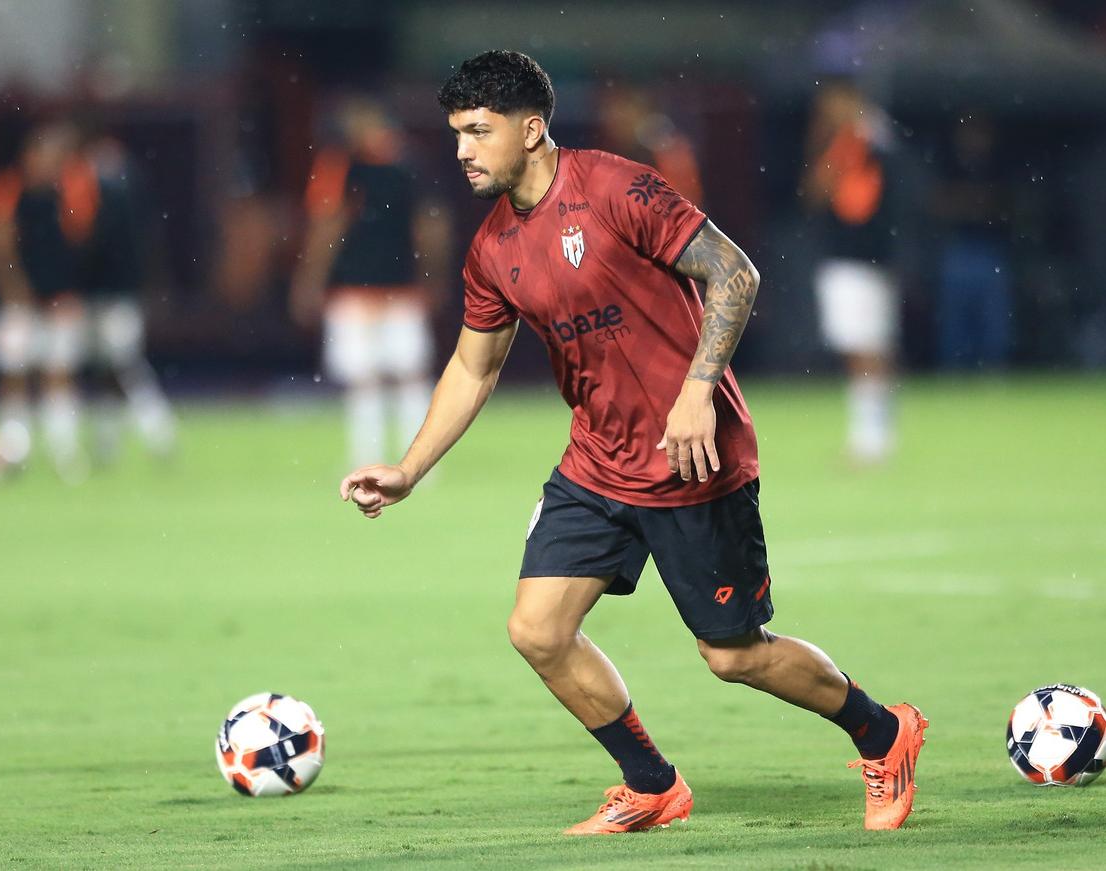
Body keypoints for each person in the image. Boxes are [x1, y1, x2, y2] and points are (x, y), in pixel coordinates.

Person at [340, 50, 925, 834]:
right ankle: (653, 784)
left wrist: (697, 392)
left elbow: (735, 274)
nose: (462, 151)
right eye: (456, 134)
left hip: (692, 458)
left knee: (734, 655)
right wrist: (410, 468)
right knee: (538, 629)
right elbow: (473, 367)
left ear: (532, 128)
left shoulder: (617, 188)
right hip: (596, 462)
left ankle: (884, 733)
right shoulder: (492, 249)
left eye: (478, 131)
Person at [291, 96, 449, 469]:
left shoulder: (341, 164)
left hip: (358, 287)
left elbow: (326, 226)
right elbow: (432, 226)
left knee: (367, 379)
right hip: (398, 286)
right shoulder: (412, 163)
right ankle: (421, 463)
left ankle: (369, 460)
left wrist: (309, 279)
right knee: (409, 375)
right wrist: (433, 274)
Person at [0, 122, 96, 483]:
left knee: (59, 374)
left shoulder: (71, 190)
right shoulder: (9, 189)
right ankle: (14, 449)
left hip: (59, 301)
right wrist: (15, 291)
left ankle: (65, 453)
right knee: (14, 373)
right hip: (20, 303)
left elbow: (81, 244)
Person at [802, 80, 900, 465]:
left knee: (870, 346)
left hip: (868, 259)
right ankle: (872, 431)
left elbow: (870, 202)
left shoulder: (875, 139)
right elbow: (814, 194)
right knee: (857, 346)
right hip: (842, 258)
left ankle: (873, 435)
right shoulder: (836, 142)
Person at [80, 133, 176, 463]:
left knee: (125, 366)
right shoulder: (127, 195)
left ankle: (160, 431)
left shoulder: (113, 197)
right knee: (109, 371)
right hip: (110, 297)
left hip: (115, 298)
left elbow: (103, 250)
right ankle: (108, 442)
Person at [933, 113, 1012, 370]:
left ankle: (992, 371)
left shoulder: (997, 165)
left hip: (989, 248)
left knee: (993, 322)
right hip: (958, 248)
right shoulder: (949, 164)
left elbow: (1004, 204)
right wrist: (975, 203)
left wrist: (970, 202)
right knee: (955, 324)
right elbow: (938, 203)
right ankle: (955, 373)